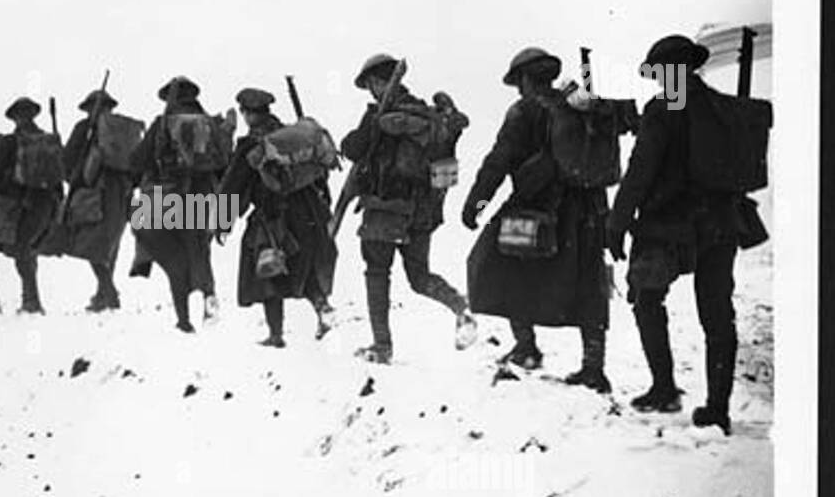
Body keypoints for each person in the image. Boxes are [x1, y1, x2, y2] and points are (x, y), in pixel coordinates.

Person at [462, 47, 632, 392]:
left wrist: (476, 202)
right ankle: (593, 368)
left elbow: (499, 160)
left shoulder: (524, 111)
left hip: (534, 209)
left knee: (498, 264)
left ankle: (526, 347)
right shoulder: (578, 106)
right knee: (589, 282)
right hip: (589, 210)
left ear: (524, 79)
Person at [607, 35, 751, 434]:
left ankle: (665, 388)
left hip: (669, 226)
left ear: (668, 71)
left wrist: (617, 222)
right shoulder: (720, 105)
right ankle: (717, 409)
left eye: (658, 74)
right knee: (717, 314)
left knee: (646, 297)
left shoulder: (663, 109)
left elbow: (641, 170)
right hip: (722, 222)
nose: (657, 82)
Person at [341, 53, 478, 364]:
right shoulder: (428, 116)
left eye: (372, 84)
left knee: (376, 273)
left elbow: (352, 148)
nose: (372, 91)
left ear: (379, 82)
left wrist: (218, 219)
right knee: (419, 277)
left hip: (385, 209)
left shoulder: (380, 116)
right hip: (421, 210)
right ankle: (460, 306)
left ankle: (382, 346)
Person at [217, 87, 337, 347]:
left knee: (266, 270)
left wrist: (222, 221)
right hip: (308, 213)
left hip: (273, 216)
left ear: (248, 114)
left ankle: (275, 334)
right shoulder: (291, 139)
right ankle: (322, 308)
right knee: (299, 267)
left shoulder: (253, 145)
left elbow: (233, 184)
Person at [128, 76, 229, 333]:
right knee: (199, 252)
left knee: (173, 260)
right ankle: (209, 298)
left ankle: (183, 320)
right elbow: (224, 165)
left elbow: (137, 161)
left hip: (166, 198)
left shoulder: (162, 125)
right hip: (204, 197)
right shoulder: (211, 125)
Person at [0, 97, 65, 314]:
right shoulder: (49, 140)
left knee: (17, 247)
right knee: (27, 248)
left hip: (19, 203)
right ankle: (30, 298)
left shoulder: (11, 142)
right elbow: (60, 175)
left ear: (15, 117)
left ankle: (31, 301)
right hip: (46, 202)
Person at [61, 88, 138, 312]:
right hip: (124, 194)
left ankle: (109, 292)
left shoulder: (84, 128)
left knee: (89, 243)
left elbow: (67, 159)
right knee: (110, 244)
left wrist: (75, 179)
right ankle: (103, 293)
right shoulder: (123, 132)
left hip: (95, 192)